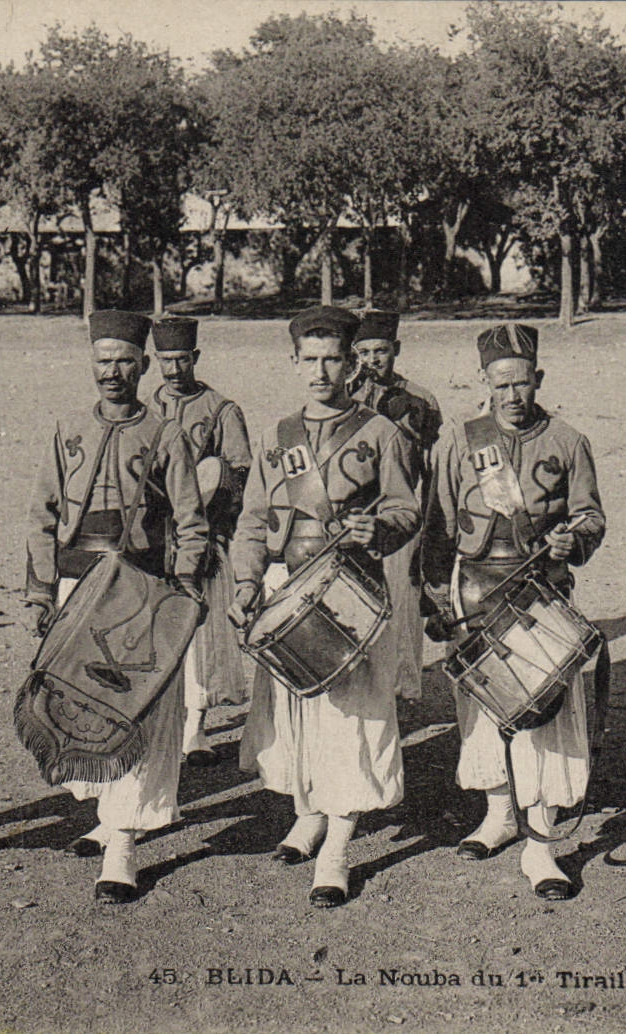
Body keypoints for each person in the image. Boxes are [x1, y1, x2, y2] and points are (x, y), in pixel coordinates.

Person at [228, 305, 420, 908]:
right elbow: (253, 519)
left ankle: (338, 843)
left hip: (351, 586)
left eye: (332, 358)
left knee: (348, 716)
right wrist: (245, 582)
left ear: (351, 362)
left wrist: (378, 528)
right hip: (290, 584)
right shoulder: (279, 435)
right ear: (294, 362)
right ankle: (307, 813)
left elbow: (406, 510)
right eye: (309, 359)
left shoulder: (381, 432)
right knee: (296, 712)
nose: (320, 371)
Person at [20, 309, 210, 904]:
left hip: (140, 590)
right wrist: (39, 591)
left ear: (144, 366)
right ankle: (107, 815)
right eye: (103, 361)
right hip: (79, 583)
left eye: (125, 361)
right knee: (82, 704)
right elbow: (41, 518)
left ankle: (123, 843)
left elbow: (191, 521)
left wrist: (181, 588)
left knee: (135, 708)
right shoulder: (66, 429)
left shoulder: (165, 434)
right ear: (92, 365)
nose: (113, 372)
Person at [421, 323, 605, 901]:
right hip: (475, 590)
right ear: (485, 383)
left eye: (522, 383)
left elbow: (591, 517)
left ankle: (542, 844)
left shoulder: (568, 440)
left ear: (538, 380)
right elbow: (438, 526)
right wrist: (435, 598)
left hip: (541, 595)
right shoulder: (459, 439)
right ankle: (498, 814)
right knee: (481, 713)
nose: (512, 396)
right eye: (501, 385)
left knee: (543, 714)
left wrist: (571, 541)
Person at [150, 317, 254, 767]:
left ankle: (195, 728)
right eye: (164, 361)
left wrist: (212, 519)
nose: (173, 370)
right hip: (155, 537)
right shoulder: (146, 404)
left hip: (203, 533)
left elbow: (239, 473)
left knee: (199, 636)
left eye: (181, 360)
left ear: (195, 358)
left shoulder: (220, 410)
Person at [348, 309, 441, 703]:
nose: (373, 360)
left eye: (381, 351)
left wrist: (429, 533)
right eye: (365, 352)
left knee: (400, 610)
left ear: (396, 350)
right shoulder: (345, 396)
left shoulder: (421, 399)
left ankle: (398, 695)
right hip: (354, 521)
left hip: (400, 520)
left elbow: (434, 470)